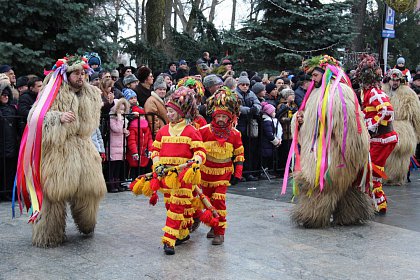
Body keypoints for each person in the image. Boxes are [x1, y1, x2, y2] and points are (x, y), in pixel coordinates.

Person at [15, 55, 107, 247]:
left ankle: (86, 223)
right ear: (67, 75)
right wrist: (58, 118)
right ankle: (49, 234)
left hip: (84, 149)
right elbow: (34, 118)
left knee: (91, 192)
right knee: (54, 196)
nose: (81, 77)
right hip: (59, 152)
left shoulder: (92, 94)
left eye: (83, 73)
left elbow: (92, 124)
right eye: (76, 73)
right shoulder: (52, 92)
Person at [284, 55, 373, 227]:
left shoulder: (340, 93)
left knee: (323, 184)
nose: (312, 79)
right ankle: (348, 213)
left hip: (333, 152)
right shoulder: (316, 92)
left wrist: (351, 154)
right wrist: (299, 119)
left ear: (326, 74)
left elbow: (348, 127)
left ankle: (317, 215)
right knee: (331, 185)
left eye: (315, 75)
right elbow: (307, 117)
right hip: (317, 148)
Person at [150, 86, 206, 255]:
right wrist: (157, 164)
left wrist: (196, 161)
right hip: (166, 176)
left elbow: (200, 152)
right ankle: (183, 233)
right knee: (170, 205)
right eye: (167, 110)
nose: (169, 114)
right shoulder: (163, 130)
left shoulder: (191, 131)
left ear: (182, 112)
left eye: (172, 111)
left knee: (176, 207)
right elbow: (155, 150)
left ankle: (169, 240)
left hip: (183, 176)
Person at [199, 86, 244, 245]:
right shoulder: (204, 131)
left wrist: (238, 172)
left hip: (223, 174)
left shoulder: (235, 134)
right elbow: (196, 150)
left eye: (224, 117)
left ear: (230, 117)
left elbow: (239, 154)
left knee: (219, 201)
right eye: (218, 116)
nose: (221, 120)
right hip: (205, 174)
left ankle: (220, 232)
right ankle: (213, 225)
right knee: (207, 202)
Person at [355, 54, 398, 214]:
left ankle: (377, 204)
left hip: (383, 139)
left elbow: (387, 110)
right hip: (380, 139)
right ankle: (378, 203)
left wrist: (370, 126)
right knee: (372, 171)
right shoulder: (366, 92)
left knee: (372, 171)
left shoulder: (373, 92)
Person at [381, 69, 420, 185]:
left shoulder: (409, 94)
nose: (395, 83)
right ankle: (384, 176)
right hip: (386, 127)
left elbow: (416, 115)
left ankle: (397, 177)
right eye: (393, 80)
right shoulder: (382, 91)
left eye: (397, 80)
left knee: (400, 154)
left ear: (401, 80)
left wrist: (417, 133)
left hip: (403, 129)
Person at [0, 75, 19, 201]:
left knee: (10, 169)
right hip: (2, 145)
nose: (6, 96)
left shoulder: (12, 109)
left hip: (11, 145)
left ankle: (9, 192)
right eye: (3, 94)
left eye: (7, 94)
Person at [108, 98, 130, 192]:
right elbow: (116, 129)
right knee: (113, 165)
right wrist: (120, 119)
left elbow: (122, 129)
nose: (121, 112)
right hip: (114, 144)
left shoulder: (122, 119)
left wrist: (126, 131)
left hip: (120, 145)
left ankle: (117, 183)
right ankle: (111, 184)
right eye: (120, 110)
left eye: (123, 110)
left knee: (118, 165)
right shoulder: (112, 119)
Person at [260, 102, 282, 173]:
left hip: (269, 144)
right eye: (273, 112)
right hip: (266, 143)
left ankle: (268, 170)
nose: (275, 113)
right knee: (266, 158)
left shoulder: (270, 120)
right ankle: (265, 171)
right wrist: (276, 141)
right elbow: (269, 134)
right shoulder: (267, 121)